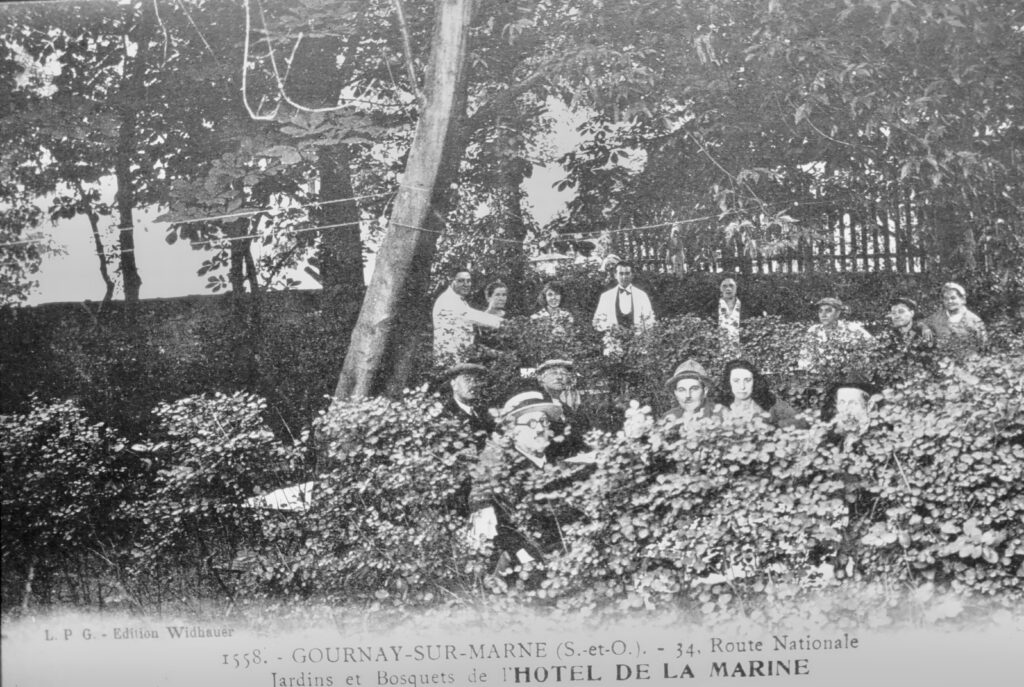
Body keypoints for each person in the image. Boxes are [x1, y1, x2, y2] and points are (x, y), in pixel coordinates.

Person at [467, 391, 586, 573]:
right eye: (531, 423)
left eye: (544, 421)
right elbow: (503, 530)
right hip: (528, 565)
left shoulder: (559, 466)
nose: (539, 429)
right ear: (513, 432)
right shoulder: (503, 476)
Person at [432, 267, 502, 366]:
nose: (466, 284)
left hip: (459, 357)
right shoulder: (448, 299)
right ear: (452, 281)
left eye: (468, 281)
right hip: (451, 361)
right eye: (461, 281)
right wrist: (507, 323)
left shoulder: (458, 299)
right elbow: (474, 316)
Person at [717, 359, 809, 429]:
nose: (742, 386)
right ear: (728, 382)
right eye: (736, 381)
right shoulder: (720, 407)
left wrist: (773, 426)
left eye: (747, 380)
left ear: (754, 381)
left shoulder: (769, 401)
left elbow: (801, 422)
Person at [531, 359, 591, 459]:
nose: (559, 377)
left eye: (563, 373)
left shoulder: (568, 409)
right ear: (541, 379)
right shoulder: (536, 406)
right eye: (553, 373)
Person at [592, 261, 656, 354]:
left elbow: (650, 322)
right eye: (621, 273)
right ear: (615, 275)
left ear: (632, 275)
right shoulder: (606, 297)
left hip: (637, 346)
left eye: (627, 273)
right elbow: (597, 322)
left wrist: (643, 340)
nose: (624, 277)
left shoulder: (642, 295)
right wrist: (611, 330)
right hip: (614, 346)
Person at [798, 297, 875, 370]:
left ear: (838, 313)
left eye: (828, 311)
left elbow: (873, 345)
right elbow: (804, 357)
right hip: (818, 374)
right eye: (820, 311)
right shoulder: (813, 330)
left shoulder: (851, 328)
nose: (823, 315)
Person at [437, 362, 496, 449]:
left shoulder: (482, 413)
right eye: (467, 380)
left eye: (476, 380)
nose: (473, 385)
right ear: (454, 384)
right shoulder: (445, 414)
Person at [821, 374, 880, 452]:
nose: (846, 409)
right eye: (841, 403)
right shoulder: (830, 439)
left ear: (869, 405)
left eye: (853, 403)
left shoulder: (878, 438)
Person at [923, 282, 987, 354]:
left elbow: (983, 345)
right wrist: (925, 328)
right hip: (941, 358)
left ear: (962, 299)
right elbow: (922, 322)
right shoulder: (937, 316)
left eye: (953, 298)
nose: (949, 301)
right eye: (946, 299)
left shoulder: (974, 320)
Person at [716, 277, 742, 347]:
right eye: (724, 286)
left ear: (736, 288)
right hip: (718, 350)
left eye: (731, 285)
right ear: (720, 288)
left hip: (742, 350)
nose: (728, 289)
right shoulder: (712, 306)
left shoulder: (746, 307)